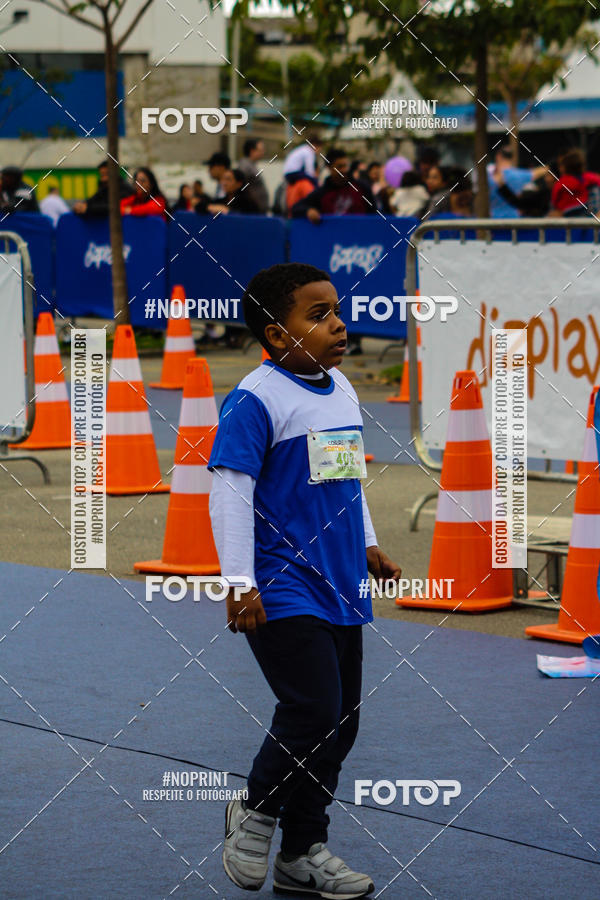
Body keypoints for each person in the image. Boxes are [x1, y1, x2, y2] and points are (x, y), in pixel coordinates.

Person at [208, 261, 401, 897]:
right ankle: (254, 814)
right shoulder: (257, 399)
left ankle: (300, 853)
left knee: (342, 723)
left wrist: (369, 543)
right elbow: (230, 491)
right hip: (281, 583)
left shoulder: (342, 389)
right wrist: (238, 580)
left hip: (342, 580)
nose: (337, 325)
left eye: (336, 311)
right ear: (274, 334)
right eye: (315, 316)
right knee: (312, 708)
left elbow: (346, 475)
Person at [290, 148, 377, 222]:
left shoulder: (362, 188)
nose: (344, 170)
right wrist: (308, 211)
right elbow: (296, 208)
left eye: (345, 166)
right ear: (329, 168)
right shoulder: (322, 193)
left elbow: (375, 215)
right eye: (339, 167)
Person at [486, 146, 546, 218]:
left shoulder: (489, 179)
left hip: (493, 221)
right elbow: (539, 171)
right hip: (513, 220)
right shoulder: (519, 175)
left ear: (498, 156)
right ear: (512, 158)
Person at [550, 149, 600, 217]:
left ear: (564, 167)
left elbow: (554, 204)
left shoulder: (560, 184)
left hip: (566, 221)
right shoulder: (591, 179)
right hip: (588, 220)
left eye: (560, 165)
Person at [237, 138, 270, 213]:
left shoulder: (250, 165)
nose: (263, 152)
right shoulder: (245, 165)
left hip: (257, 210)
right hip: (251, 211)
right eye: (260, 150)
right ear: (252, 151)